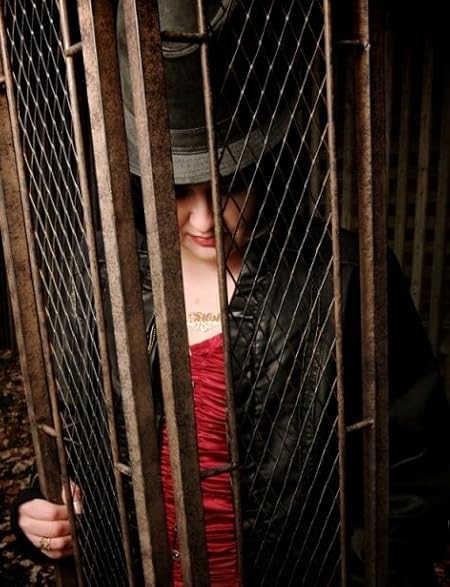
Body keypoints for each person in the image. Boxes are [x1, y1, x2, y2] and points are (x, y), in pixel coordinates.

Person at [10, 0, 450, 585]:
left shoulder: (342, 274)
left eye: (229, 186)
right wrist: (43, 513)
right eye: (177, 190)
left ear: (268, 170)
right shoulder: (102, 275)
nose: (203, 220)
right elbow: (76, 437)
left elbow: (414, 470)